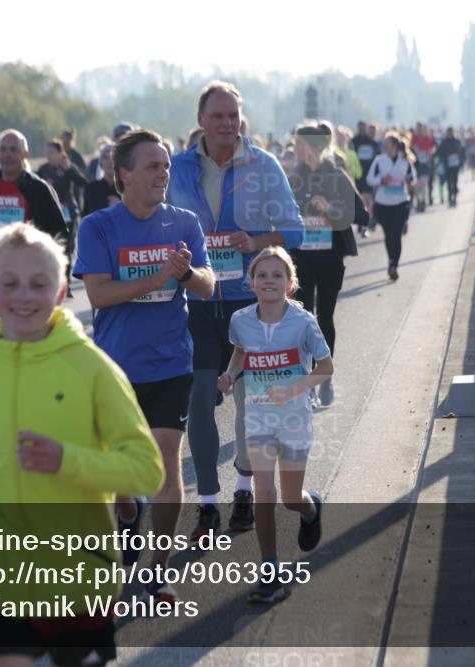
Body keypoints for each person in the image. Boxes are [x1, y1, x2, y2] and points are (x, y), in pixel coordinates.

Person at [0, 223, 164, 667]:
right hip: (0, 574)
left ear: (61, 291)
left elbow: (147, 469)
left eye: (39, 284)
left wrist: (67, 460)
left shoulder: (92, 367)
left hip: (79, 575)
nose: (24, 295)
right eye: (10, 284)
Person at [76, 129, 215, 602]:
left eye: (166, 166)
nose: (163, 174)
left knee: (165, 464)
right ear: (124, 176)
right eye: (153, 166)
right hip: (114, 369)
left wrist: (187, 274)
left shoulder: (184, 223)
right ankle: (127, 510)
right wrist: (159, 275)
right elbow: (98, 294)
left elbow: (208, 287)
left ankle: (157, 571)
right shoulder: (97, 226)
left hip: (172, 362)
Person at [167, 81, 304, 540]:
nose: (228, 124)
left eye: (234, 116)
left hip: (250, 305)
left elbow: (295, 229)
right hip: (197, 300)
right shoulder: (179, 168)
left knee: (250, 405)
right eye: (219, 116)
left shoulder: (263, 166)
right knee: (201, 399)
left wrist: (257, 242)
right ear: (202, 120)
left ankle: (243, 489)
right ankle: (208, 502)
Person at [218, 247, 332, 603]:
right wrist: (230, 374)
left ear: (290, 284)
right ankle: (270, 571)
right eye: (262, 275)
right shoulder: (240, 320)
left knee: (290, 498)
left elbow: (325, 369)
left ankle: (309, 508)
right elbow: (241, 352)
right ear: (251, 282)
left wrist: (293, 388)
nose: (269, 280)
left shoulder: (304, 323)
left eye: (277, 275)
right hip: (259, 416)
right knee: (263, 492)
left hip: (295, 418)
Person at [288, 122, 361, 407]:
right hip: (301, 258)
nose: (296, 151)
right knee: (303, 319)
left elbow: (361, 214)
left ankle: (325, 375)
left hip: (330, 258)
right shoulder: (293, 177)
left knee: (325, 317)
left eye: (300, 146)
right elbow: (277, 211)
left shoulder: (336, 175)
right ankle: (308, 381)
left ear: (315, 147)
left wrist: (330, 208)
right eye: (294, 146)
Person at [0, 128, 67, 324]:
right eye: (3, 149)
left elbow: (60, 232)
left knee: (30, 335)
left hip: (31, 277)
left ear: (25, 154)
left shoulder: (39, 189)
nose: (7, 155)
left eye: (14, 150)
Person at [38, 139, 87, 292]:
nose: (48, 155)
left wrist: (71, 169)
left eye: (51, 152)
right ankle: (52, 283)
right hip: (50, 213)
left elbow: (83, 183)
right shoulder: (43, 169)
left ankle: (66, 284)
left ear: (60, 153)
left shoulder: (67, 168)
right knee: (49, 248)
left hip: (68, 212)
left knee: (67, 247)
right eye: (46, 152)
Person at [366, 133, 414, 282]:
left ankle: (394, 266)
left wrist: (406, 181)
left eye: (386, 143)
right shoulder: (379, 160)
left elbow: (413, 178)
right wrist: (382, 180)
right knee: (388, 236)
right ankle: (391, 261)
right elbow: (369, 179)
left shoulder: (405, 160)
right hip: (383, 204)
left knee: (396, 235)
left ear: (394, 145)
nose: (383, 145)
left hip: (401, 203)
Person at [351, 121, 379, 238]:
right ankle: (361, 222)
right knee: (359, 201)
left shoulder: (371, 142)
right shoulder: (353, 141)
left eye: (363, 127)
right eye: (360, 127)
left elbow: (377, 158)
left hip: (368, 175)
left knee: (367, 199)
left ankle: (367, 222)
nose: (362, 129)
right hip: (357, 175)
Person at [82, 143, 120, 217]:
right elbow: (85, 218)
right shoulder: (91, 188)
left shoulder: (127, 189)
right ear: (101, 163)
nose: (110, 162)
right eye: (106, 158)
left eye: (114, 158)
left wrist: (121, 206)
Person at [435, 127, 465, 207]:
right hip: (447, 165)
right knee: (448, 182)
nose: (450, 134)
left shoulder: (457, 141)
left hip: (455, 166)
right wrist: (436, 160)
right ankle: (449, 198)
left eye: (451, 132)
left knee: (454, 182)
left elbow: (462, 152)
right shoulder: (444, 142)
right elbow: (439, 152)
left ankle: (454, 198)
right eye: (448, 133)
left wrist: (461, 162)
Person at [410, 122, 436, 211]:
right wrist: (414, 149)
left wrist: (430, 152)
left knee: (423, 183)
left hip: (425, 164)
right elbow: (410, 148)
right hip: (416, 164)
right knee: (417, 185)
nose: (419, 130)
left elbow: (433, 148)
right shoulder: (413, 138)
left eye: (421, 128)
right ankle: (419, 201)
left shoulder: (428, 137)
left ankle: (423, 200)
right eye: (418, 128)